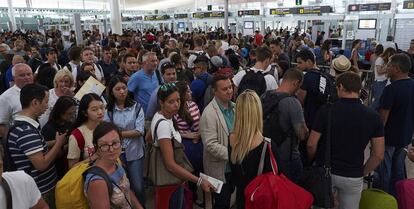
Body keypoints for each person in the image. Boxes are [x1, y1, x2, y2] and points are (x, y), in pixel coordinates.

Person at [307, 72, 385, 209]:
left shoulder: (326, 110)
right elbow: (378, 155)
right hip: (353, 174)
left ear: (341, 87)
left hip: (325, 171)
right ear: (359, 90)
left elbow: (311, 144)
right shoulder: (373, 116)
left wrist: (313, 160)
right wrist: (363, 172)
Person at [151, 83, 215, 209]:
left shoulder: (160, 116)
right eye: (171, 102)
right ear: (161, 102)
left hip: (172, 178)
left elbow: (149, 137)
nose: (176, 104)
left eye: (178, 100)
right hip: (170, 180)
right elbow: (170, 164)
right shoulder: (164, 124)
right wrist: (199, 181)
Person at [7, 84, 67, 208]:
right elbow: (41, 164)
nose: (47, 106)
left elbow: (37, 146)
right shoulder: (26, 131)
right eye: (45, 102)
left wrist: (55, 142)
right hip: (42, 190)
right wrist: (59, 144)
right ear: (35, 103)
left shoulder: (22, 124)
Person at [229, 90, 282, 209]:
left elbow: (234, 172)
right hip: (260, 201)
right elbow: (277, 178)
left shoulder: (231, 139)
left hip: (241, 199)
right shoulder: (267, 144)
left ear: (238, 112)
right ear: (257, 112)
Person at [375, 53, 414, 196]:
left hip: (388, 137)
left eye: (389, 65)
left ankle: (382, 197)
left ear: (396, 69)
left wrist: (375, 137)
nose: (386, 68)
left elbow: (383, 118)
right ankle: (399, 196)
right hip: (406, 136)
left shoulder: (391, 89)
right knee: (398, 170)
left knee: (384, 170)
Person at [104, 76, 146, 205]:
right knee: (122, 188)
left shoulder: (136, 107)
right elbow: (107, 132)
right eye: (118, 89)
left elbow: (139, 131)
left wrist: (118, 134)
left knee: (138, 186)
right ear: (111, 92)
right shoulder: (109, 110)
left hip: (135, 152)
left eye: (124, 88)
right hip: (116, 154)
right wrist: (124, 134)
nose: (122, 91)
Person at [84, 121, 144, 209]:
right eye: (104, 145)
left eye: (115, 143)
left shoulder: (116, 163)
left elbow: (126, 191)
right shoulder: (97, 182)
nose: (111, 149)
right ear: (97, 148)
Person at [264, 69, 308, 183]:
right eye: (299, 86)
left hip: (266, 154)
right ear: (295, 83)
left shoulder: (265, 96)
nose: (299, 91)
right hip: (287, 158)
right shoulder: (292, 102)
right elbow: (301, 134)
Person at [200, 75, 235, 209]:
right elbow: (210, 145)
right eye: (224, 89)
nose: (229, 91)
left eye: (230, 87)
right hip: (220, 170)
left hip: (234, 167)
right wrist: (234, 155)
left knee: (230, 200)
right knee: (221, 203)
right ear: (214, 91)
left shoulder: (235, 107)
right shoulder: (209, 113)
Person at [173, 81, 203, 204]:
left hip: (198, 143)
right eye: (188, 91)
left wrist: (199, 134)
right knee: (189, 172)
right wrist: (188, 135)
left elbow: (200, 121)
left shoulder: (193, 105)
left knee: (199, 169)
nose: (191, 92)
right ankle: (191, 197)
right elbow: (173, 132)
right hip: (186, 145)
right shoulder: (175, 111)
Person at [41, 96, 76, 179]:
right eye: (69, 114)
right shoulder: (48, 129)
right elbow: (49, 156)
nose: (72, 116)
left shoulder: (69, 124)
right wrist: (64, 146)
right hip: (56, 172)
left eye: (74, 113)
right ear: (61, 113)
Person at [67, 93, 105, 168]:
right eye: (94, 109)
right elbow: (72, 167)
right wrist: (93, 157)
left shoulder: (105, 127)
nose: (100, 112)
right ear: (85, 113)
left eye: (102, 107)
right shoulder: (77, 136)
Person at [0, 63, 34, 139]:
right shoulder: (5, 98)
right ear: (13, 78)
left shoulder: (38, 91)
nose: (27, 77)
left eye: (29, 74)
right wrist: (14, 141)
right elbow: (1, 126)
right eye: (22, 75)